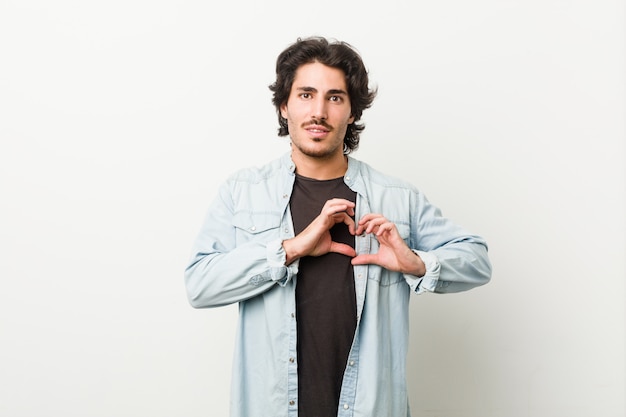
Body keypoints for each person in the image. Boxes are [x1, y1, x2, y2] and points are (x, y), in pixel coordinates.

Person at [184, 36, 492, 417]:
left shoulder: (396, 198)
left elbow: (476, 259)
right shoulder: (243, 192)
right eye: (305, 95)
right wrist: (290, 249)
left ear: (351, 112)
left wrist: (416, 264)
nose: (319, 111)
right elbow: (200, 285)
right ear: (284, 106)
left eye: (334, 97)